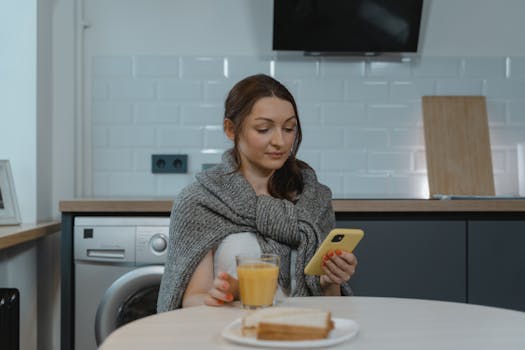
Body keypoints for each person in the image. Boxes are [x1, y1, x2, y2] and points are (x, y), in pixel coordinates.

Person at [157, 74, 358, 312]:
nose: (280, 141)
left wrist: (330, 282)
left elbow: (331, 304)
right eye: (264, 129)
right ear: (231, 130)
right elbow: (193, 299)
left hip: (305, 335)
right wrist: (223, 294)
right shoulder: (201, 201)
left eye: (289, 128)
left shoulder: (313, 198)